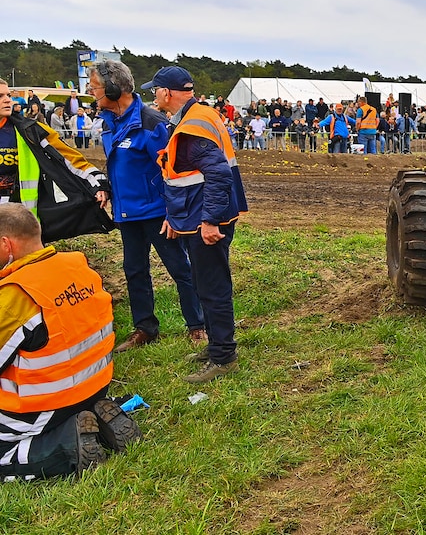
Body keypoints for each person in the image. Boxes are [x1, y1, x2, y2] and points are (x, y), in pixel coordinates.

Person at [0, 203, 142, 480]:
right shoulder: (79, 269)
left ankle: (65, 446)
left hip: (44, 404)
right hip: (95, 387)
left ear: (7, 245)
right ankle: (94, 421)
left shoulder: (17, 298)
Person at [89, 60, 207, 353]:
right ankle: (145, 328)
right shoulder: (108, 123)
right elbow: (117, 165)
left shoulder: (151, 123)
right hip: (127, 214)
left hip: (157, 213)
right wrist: (105, 187)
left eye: (95, 88)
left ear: (115, 89)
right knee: (134, 271)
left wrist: (173, 213)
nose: (91, 93)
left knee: (180, 269)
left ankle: (198, 326)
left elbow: (172, 171)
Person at [144, 66, 248, 383]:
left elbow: (217, 175)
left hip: (208, 221)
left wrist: (210, 221)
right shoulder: (197, 115)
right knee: (206, 285)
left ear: (166, 93)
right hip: (196, 217)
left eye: (155, 91)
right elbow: (186, 180)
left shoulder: (193, 126)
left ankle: (223, 357)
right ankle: (217, 345)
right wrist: (177, 219)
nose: (153, 97)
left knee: (213, 288)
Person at [0, 79, 111, 232]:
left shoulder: (30, 130)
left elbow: (69, 157)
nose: (8, 100)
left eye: (8, 95)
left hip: (20, 219)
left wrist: (98, 183)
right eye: (0, 96)